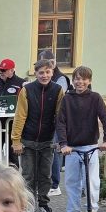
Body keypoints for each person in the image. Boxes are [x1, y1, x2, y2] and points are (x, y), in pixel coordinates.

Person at [56, 66, 106, 212]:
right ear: (73, 80)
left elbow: (105, 119)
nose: (80, 82)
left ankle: (91, 211)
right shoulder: (67, 99)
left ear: (89, 81)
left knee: (92, 181)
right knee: (72, 182)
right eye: (77, 79)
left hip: (90, 146)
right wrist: (63, 144)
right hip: (72, 148)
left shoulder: (95, 98)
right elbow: (60, 122)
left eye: (83, 79)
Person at [11, 60, 63, 212]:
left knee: (45, 176)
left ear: (52, 72)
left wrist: (62, 140)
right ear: (36, 73)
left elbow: (60, 117)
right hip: (28, 141)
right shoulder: (27, 90)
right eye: (41, 72)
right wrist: (16, 141)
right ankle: (27, 207)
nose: (44, 75)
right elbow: (20, 116)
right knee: (28, 176)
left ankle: (43, 206)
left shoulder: (58, 90)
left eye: (47, 72)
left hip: (47, 141)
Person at [41, 50, 70, 197]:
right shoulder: (50, 78)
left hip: (57, 121)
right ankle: (49, 183)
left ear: (53, 63)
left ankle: (55, 184)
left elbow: (59, 99)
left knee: (55, 152)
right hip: (47, 121)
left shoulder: (61, 79)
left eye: (47, 64)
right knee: (49, 152)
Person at [0, 58, 25, 165]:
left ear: (12, 70)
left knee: (12, 152)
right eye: (0, 69)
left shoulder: (21, 83)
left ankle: (13, 176)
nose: (1, 72)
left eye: (4, 70)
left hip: (13, 124)